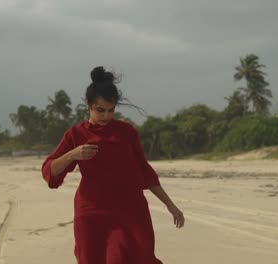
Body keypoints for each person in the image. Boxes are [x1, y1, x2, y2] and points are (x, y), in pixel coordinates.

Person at [41, 66, 185, 264]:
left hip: (131, 211)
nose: (106, 116)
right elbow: (50, 170)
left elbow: (145, 172)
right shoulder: (76, 135)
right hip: (92, 213)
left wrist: (170, 205)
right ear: (89, 105)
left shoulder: (126, 132)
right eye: (100, 110)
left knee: (139, 258)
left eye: (111, 110)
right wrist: (73, 154)